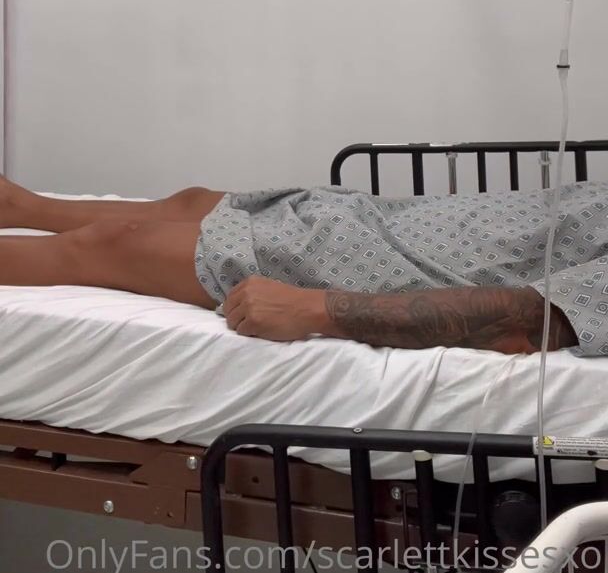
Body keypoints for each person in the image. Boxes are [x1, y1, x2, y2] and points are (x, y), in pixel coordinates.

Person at [5, 173, 608, 357]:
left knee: (117, 244)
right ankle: (23, 207)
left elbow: (528, 320)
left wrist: (320, 310)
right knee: (191, 203)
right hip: (381, 219)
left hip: (370, 264)